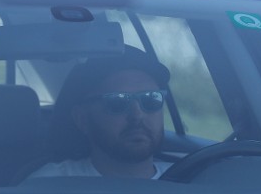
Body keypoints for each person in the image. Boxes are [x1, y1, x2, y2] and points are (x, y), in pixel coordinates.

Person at [29, 46, 171, 179]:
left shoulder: (189, 180)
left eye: (151, 99)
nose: (137, 115)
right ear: (82, 119)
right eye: (117, 102)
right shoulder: (50, 186)